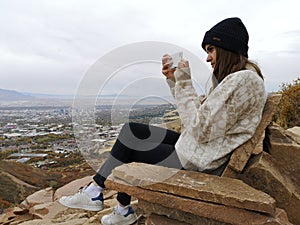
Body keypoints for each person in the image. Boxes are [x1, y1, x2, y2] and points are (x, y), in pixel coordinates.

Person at [59, 17, 267, 225]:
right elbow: (199, 119)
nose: (207, 58)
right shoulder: (239, 78)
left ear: (227, 48)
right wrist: (175, 81)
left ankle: (101, 195)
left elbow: (199, 128)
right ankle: (115, 204)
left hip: (199, 160)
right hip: (200, 148)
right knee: (133, 131)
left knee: (130, 145)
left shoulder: (243, 81)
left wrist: (184, 82)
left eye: (211, 50)